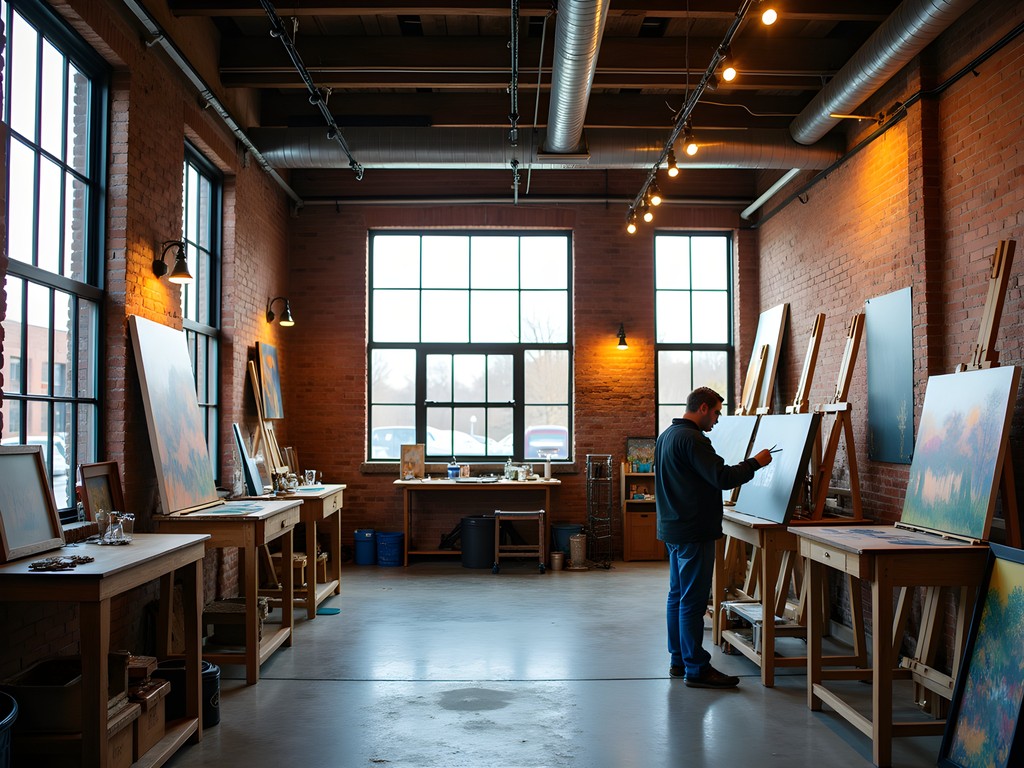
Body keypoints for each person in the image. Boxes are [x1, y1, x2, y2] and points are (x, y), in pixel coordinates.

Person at [654, 386, 773, 689]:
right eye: (717, 412)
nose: (718, 420)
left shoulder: (666, 436)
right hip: (694, 532)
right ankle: (696, 669)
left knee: (677, 597)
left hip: (674, 529)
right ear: (704, 407)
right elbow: (723, 478)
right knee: (692, 602)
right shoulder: (693, 439)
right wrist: (756, 462)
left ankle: (679, 660)